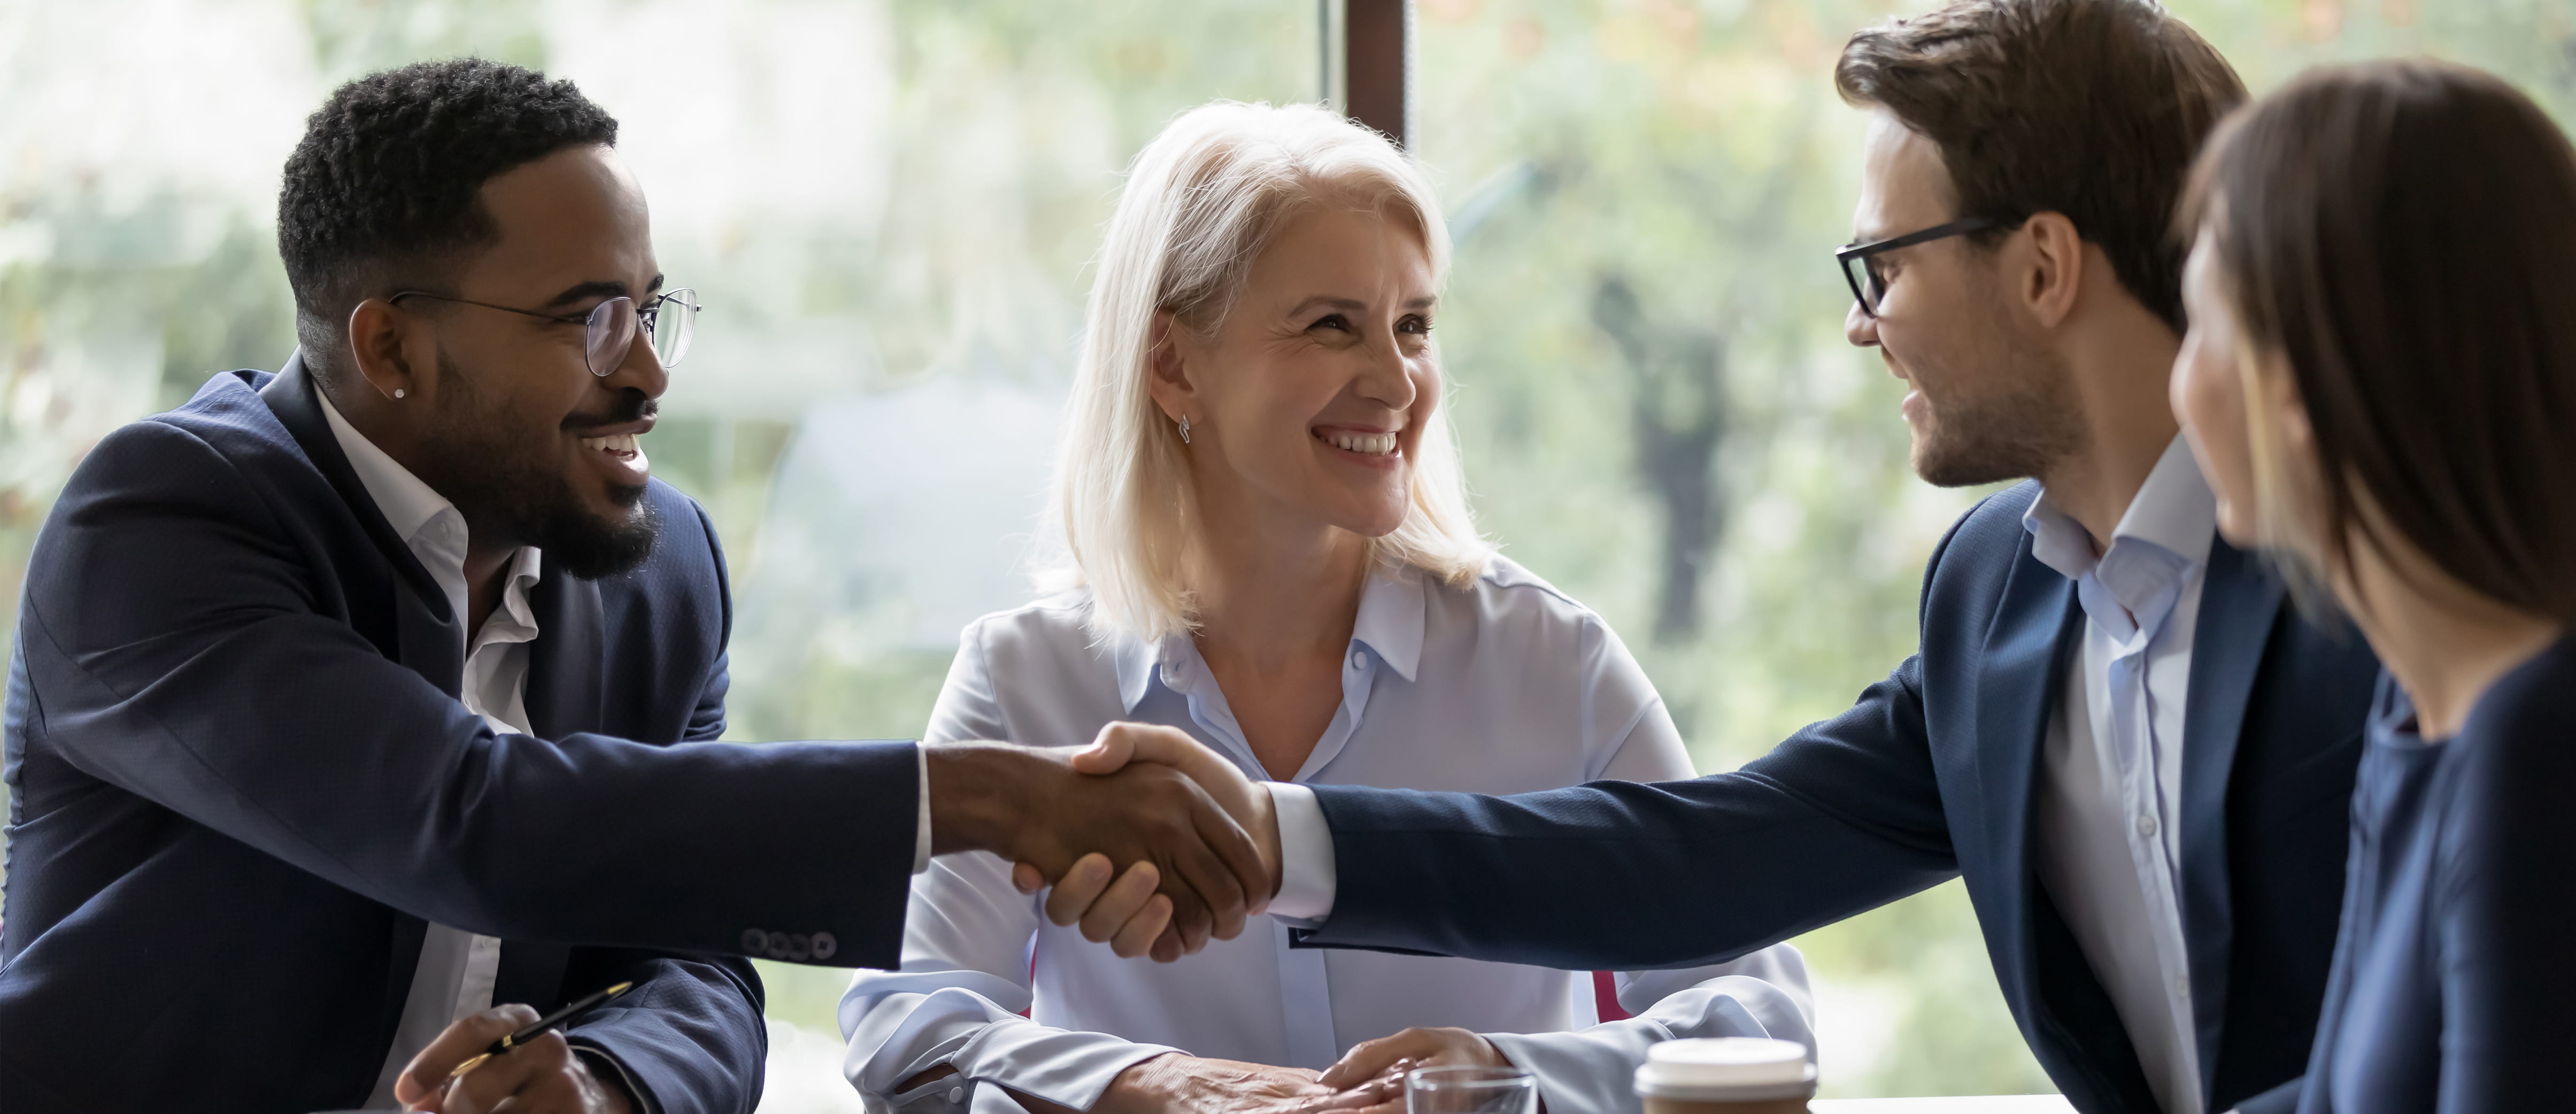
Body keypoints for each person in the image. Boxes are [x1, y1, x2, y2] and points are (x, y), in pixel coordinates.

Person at [1050, 4, 2384, 1113]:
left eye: (1883, 266)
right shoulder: (1999, 598)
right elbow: (1697, 859)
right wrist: (1258, 832)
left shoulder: (2396, 574)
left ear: (2042, 268)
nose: (1866, 329)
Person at [0, 60, 1267, 1114]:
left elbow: (698, 965)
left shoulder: (657, 568)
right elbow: (468, 818)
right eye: (590, 317)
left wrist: (607, 1082)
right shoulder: (164, 523)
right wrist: (992, 799)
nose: (651, 374)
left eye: (654, 309)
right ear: (389, 345)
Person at [835, 101, 1814, 1114]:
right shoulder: (1026, 680)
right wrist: (1152, 1084)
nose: (1397, 382)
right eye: (1331, 325)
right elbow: (912, 1024)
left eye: (1415, 327)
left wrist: (1512, 1078)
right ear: (1173, 364)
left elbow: (1756, 1010)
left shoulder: (1552, 665)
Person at [2170, 59, 2576, 1113]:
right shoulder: (2427, 699)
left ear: (2297, 386)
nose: (2181, 385)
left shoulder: (2548, 739)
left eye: (2199, 326)